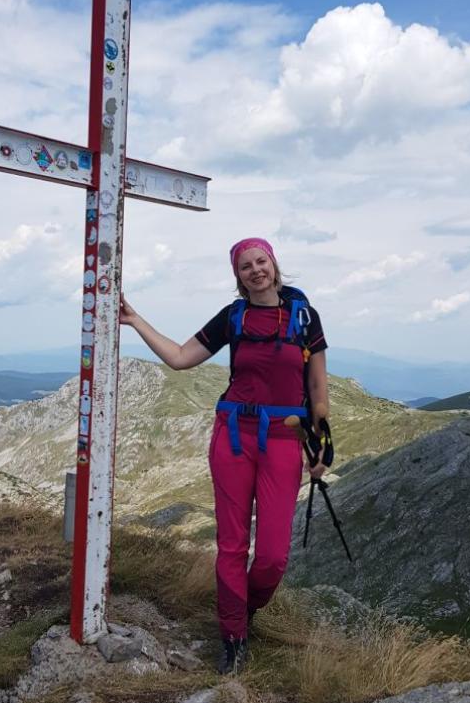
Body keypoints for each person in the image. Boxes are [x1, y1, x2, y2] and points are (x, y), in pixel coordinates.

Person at [119, 237, 329, 676]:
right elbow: (180, 358)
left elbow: (317, 389)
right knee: (232, 545)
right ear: (238, 276)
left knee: (272, 556)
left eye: (261, 261)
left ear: (274, 264)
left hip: (283, 439)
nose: (256, 270)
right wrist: (136, 321)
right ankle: (233, 637)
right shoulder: (233, 317)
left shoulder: (304, 318)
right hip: (233, 436)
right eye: (245, 266)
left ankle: (245, 608)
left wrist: (321, 445)